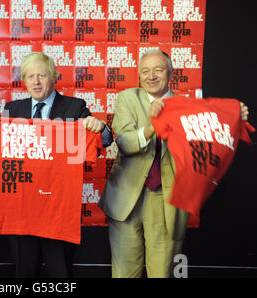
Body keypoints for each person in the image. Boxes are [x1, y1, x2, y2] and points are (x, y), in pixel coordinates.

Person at [98, 49, 249, 278]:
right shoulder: (128, 98)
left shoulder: (186, 106)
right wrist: (152, 128)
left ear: (170, 73)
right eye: (145, 71)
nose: (151, 77)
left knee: (162, 271)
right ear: (139, 75)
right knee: (124, 272)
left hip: (167, 199)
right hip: (125, 199)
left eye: (158, 70)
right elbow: (125, 142)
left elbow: (211, 136)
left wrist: (235, 117)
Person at [0, 52, 113, 278]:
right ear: (23, 80)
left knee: (60, 273)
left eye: (41, 75)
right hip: (21, 211)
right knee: (24, 273)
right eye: (30, 76)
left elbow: (105, 140)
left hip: (58, 211)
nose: (36, 81)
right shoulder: (12, 109)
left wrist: (100, 127)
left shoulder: (74, 107)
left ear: (54, 78)